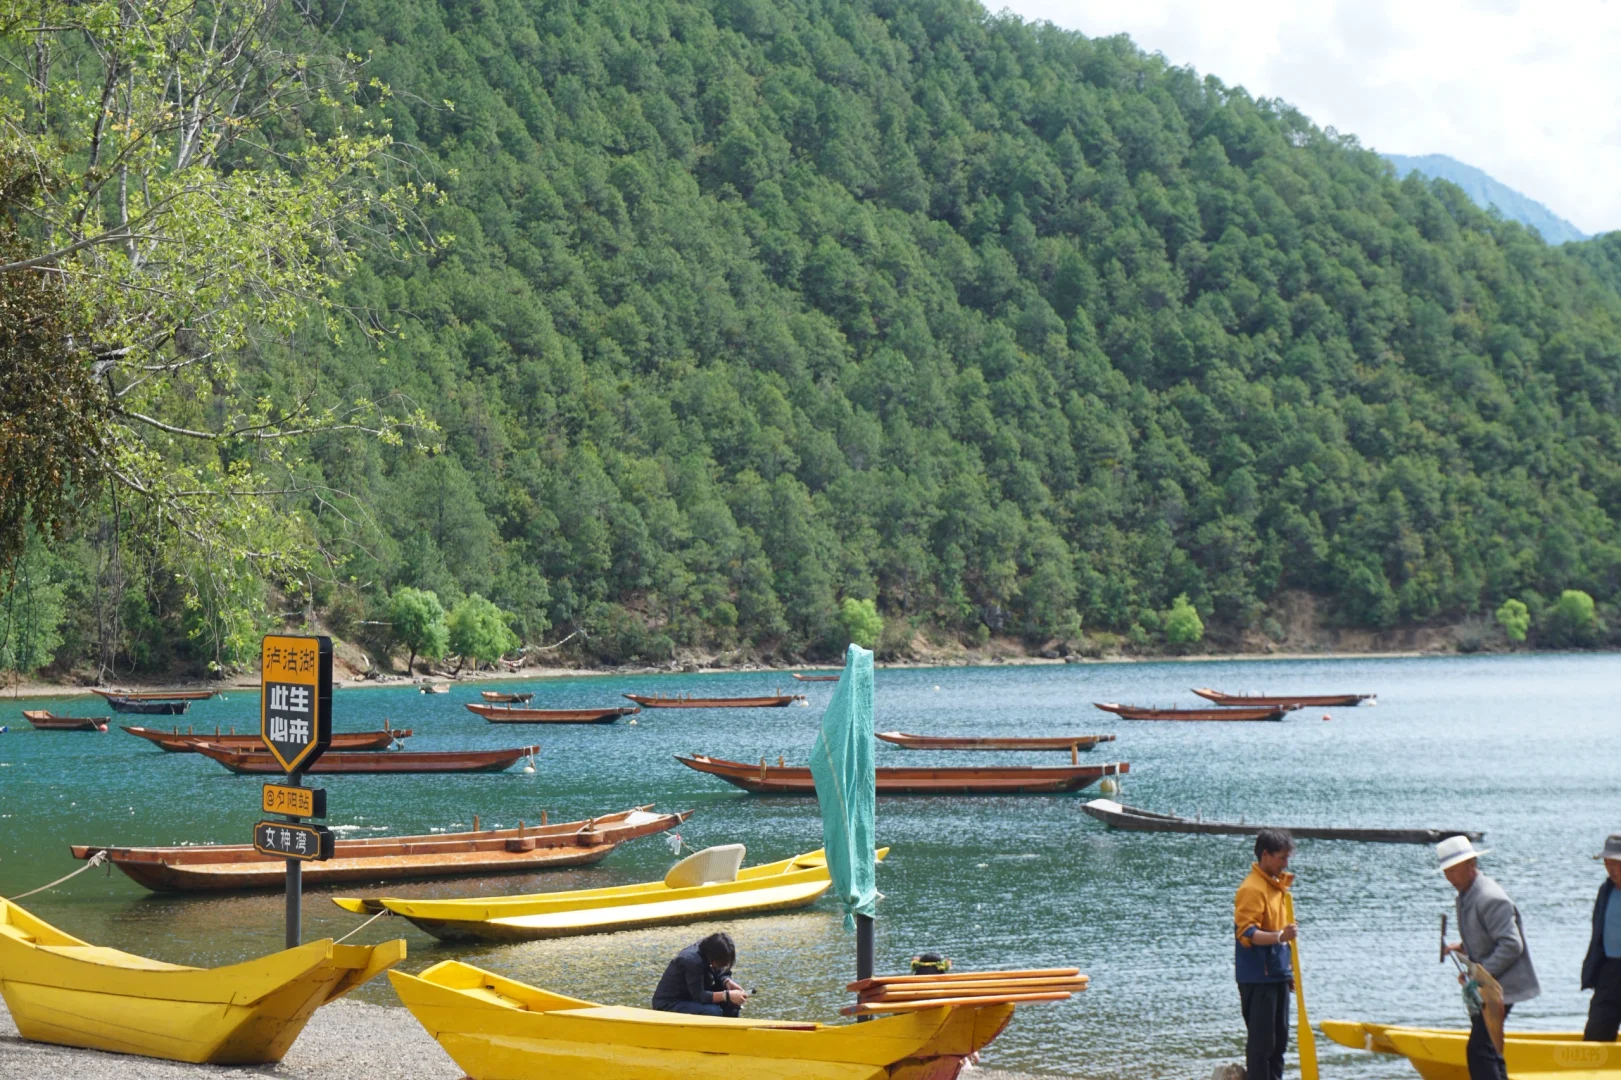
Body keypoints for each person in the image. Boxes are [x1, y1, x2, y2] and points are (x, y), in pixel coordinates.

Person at [1438, 835, 1540, 1080]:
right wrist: (1461, 947)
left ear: (1471, 865)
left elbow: (1512, 944)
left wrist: (1479, 976)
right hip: (1489, 985)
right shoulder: (1466, 893)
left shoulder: (1489, 897)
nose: (1450, 878)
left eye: (1454, 870)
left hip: (1500, 986)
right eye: (1446, 872)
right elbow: (1487, 936)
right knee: (1491, 1048)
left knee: (1479, 1050)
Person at [1234, 828, 1298, 1080]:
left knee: (1279, 1043)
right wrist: (1280, 936)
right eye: (1281, 857)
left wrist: (1288, 970)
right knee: (1262, 1046)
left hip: (1277, 975)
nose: (1285, 863)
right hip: (1258, 978)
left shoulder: (1277, 887)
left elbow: (1281, 934)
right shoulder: (1252, 888)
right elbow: (1247, 933)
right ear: (1265, 855)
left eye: (1287, 857)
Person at [1581, 834, 1621, 1040]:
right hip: (1609, 969)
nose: (1611, 869)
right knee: (1597, 1030)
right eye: (1607, 864)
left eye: (1615, 863)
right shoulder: (1605, 891)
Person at [652, 932, 748, 1017]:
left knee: (732, 1002)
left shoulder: (710, 949)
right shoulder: (691, 961)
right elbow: (699, 996)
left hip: (689, 996)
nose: (723, 966)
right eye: (721, 963)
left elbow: (720, 972)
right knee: (713, 1011)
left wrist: (727, 981)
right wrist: (727, 995)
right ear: (714, 958)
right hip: (668, 1003)